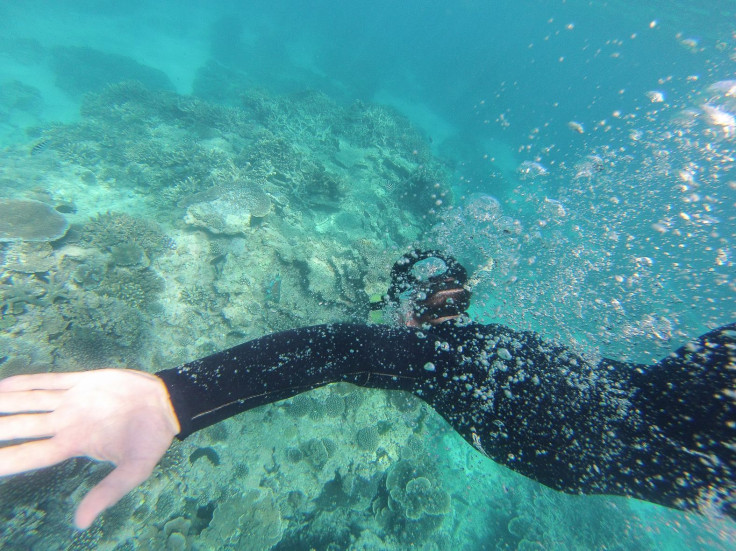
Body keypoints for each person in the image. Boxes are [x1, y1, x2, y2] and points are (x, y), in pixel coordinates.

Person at [0, 250, 734, 531]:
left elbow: (348, 346)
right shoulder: (476, 354)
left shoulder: (459, 358)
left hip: (609, 439)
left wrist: (177, 397)